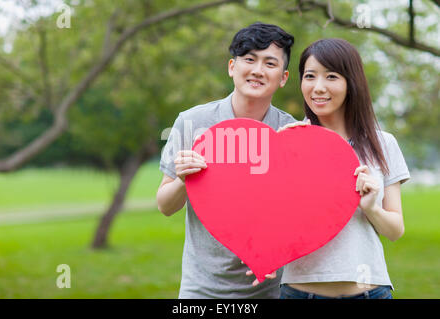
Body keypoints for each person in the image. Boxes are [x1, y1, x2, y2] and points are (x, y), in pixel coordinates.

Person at [156, 22, 297, 298]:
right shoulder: (192, 122)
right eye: (249, 59)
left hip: (269, 290)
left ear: (283, 77)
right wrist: (184, 180)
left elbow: (300, 216)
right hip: (201, 290)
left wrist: (278, 251)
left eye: (270, 63)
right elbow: (165, 206)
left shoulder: (291, 133)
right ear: (232, 67)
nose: (257, 70)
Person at [275, 38, 410, 299]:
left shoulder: (383, 144)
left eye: (331, 76)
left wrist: (371, 207)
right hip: (300, 292)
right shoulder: (289, 141)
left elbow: (395, 230)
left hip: (370, 292)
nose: (318, 87)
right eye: (310, 76)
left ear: (352, 82)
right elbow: (274, 222)